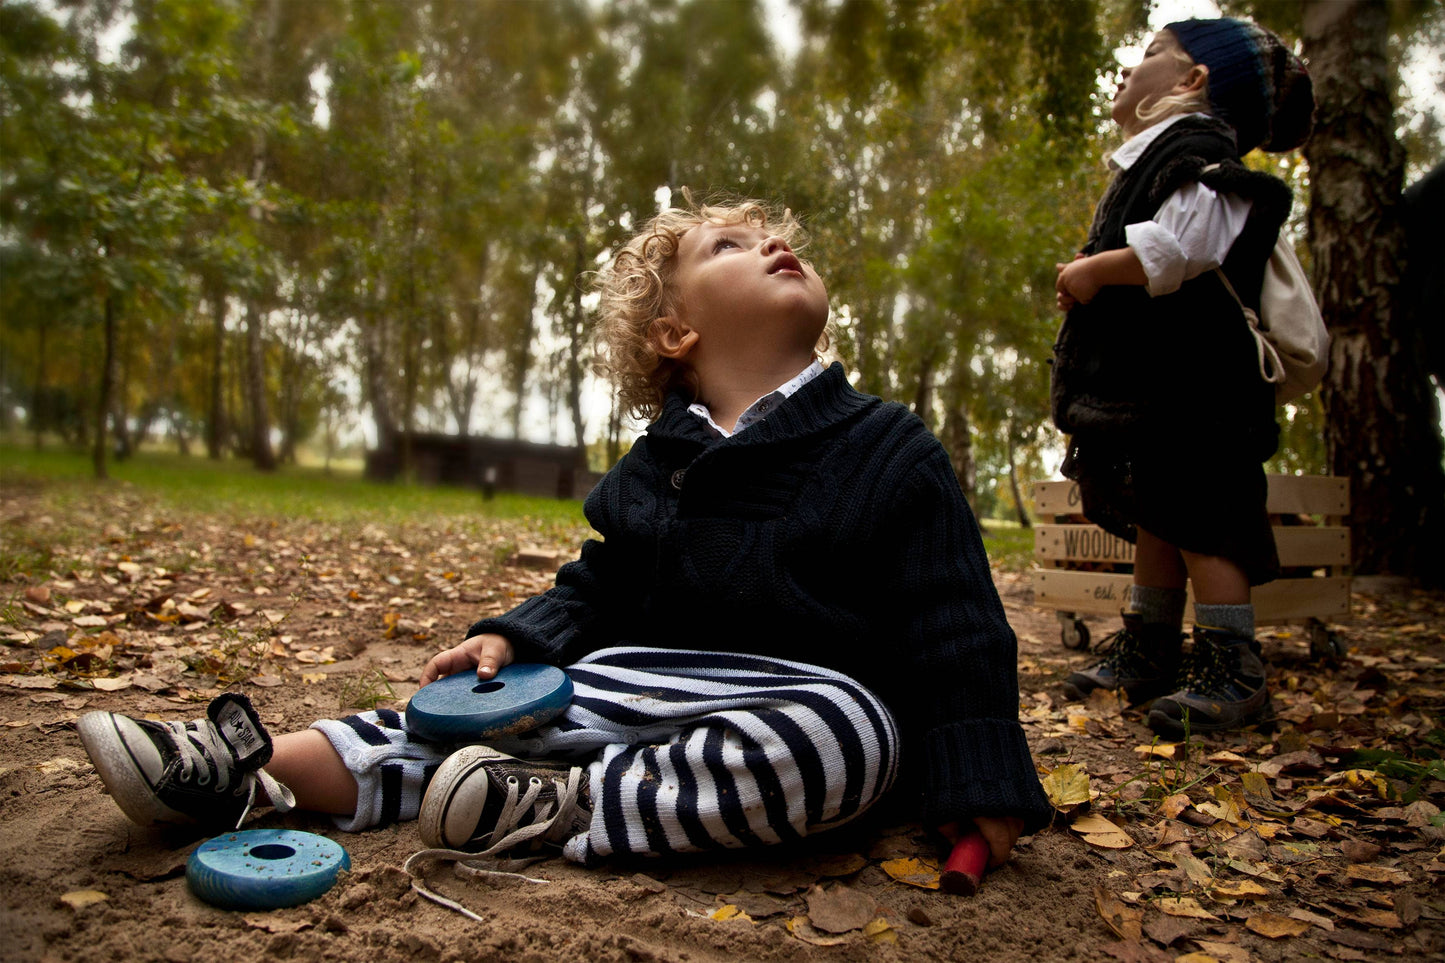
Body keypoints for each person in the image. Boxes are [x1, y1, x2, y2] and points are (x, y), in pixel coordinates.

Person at [78, 195, 1051, 885]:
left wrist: (979, 775)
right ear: (673, 332)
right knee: (466, 719)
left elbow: (954, 625)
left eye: (776, 238)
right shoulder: (657, 464)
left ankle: (563, 807)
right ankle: (245, 770)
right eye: (731, 243)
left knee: (849, 737)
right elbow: (598, 584)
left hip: (795, 706)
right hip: (630, 684)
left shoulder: (888, 448)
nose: (771, 245)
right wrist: (514, 640)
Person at [1051, 19, 1314, 737]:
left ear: (1191, 81)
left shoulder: (1196, 153)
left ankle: (1232, 664)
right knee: (1157, 515)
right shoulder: (1148, 160)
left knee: (1204, 519)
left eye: (1145, 58)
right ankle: (1149, 647)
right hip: (1157, 391)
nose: (1125, 73)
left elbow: (1180, 250)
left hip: (1200, 390)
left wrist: (1091, 270)